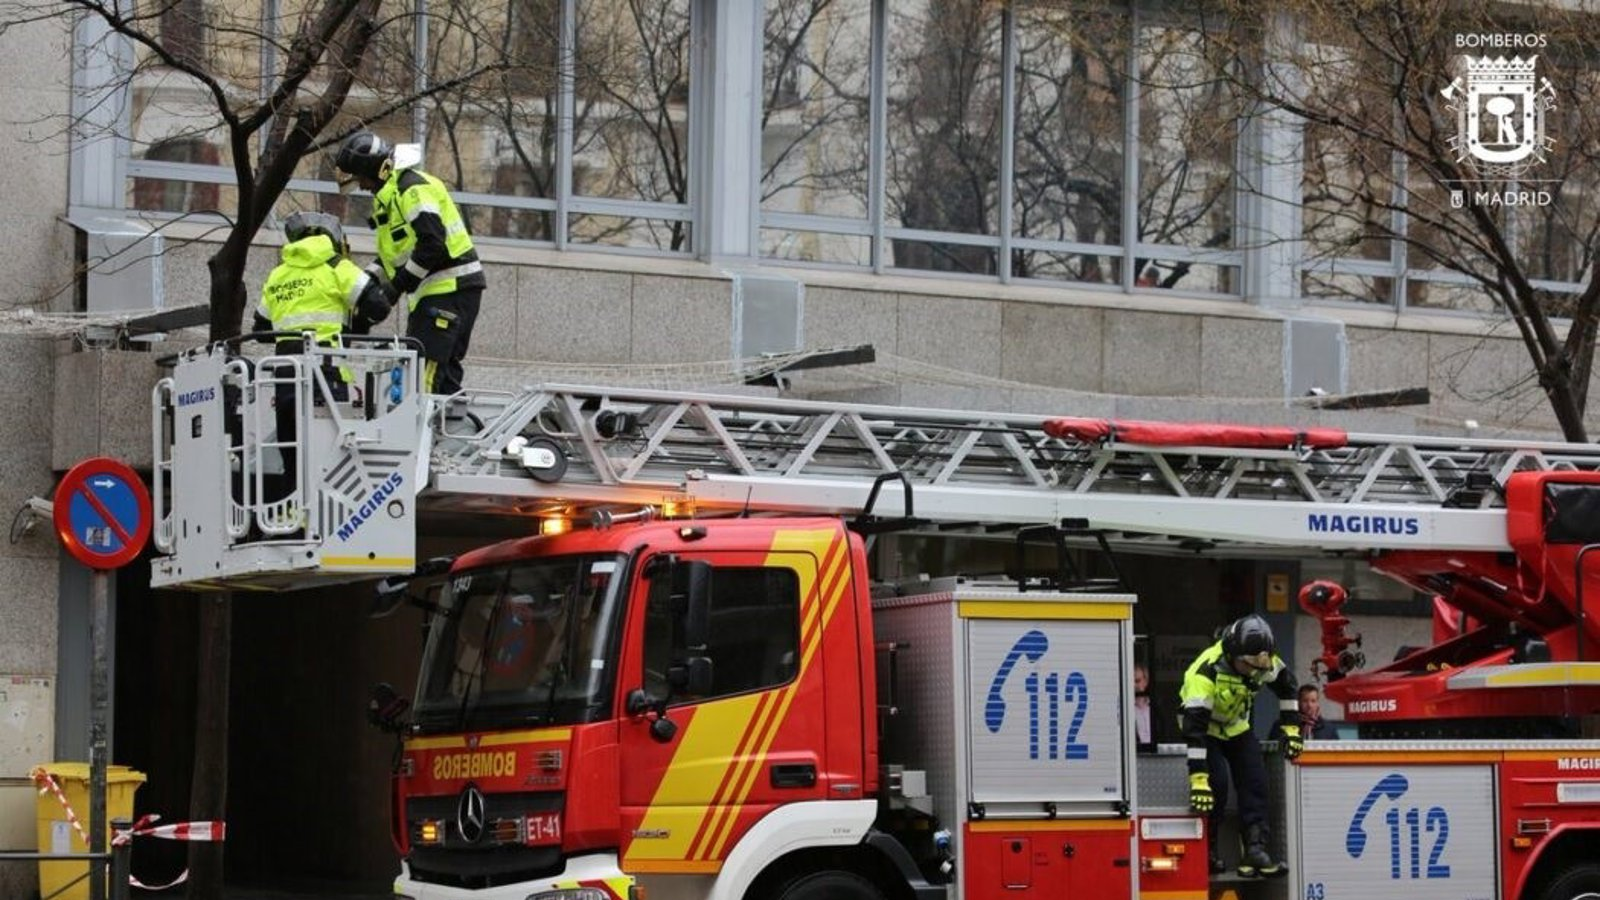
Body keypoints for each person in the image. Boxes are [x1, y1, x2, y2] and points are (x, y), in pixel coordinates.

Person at [253, 211, 392, 504]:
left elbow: (261, 329)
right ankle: (329, 513)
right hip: (325, 377)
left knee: (293, 453)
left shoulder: (278, 274)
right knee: (332, 454)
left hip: (286, 378)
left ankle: (297, 512)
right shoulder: (337, 266)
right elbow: (378, 307)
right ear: (333, 239)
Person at [333, 130, 486, 397]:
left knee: (421, 375)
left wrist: (393, 290)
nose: (363, 187)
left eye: (362, 179)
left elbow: (432, 245)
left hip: (450, 288)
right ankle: (450, 435)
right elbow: (393, 257)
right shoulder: (390, 198)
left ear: (377, 170)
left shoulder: (412, 189)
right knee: (439, 373)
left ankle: (421, 436)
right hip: (438, 291)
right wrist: (368, 288)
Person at [1180, 614, 1301, 879]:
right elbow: (1194, 731)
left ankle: (1255, 848)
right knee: (1218, 784)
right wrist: (1198, 779)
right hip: (1205, 730)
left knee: (1255, 780)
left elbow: (1288, 688)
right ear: (1233, 656)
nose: (1256, 670)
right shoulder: (1206, 673)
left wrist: (1291, 730)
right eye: (1249, 665)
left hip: (1236, 727)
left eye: (1261, 664)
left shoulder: (1260, 660)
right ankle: (1208, 851)